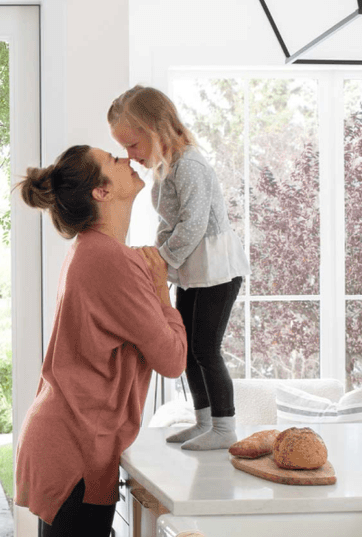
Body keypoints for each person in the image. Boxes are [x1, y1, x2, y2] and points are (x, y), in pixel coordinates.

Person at [13, 145, 187, 537]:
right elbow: (173, 360)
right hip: (76, 446)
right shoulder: (111, 259)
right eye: (113, 160)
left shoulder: (90, 249)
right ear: (102, 193)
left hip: (62, 435)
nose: (127, 160)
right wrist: (162, 288)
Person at [107, 85, 251, 451]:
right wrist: (158, 259)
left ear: (156, 129)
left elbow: (193, 225)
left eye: (133, 145)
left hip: (215, 269)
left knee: (206, 348)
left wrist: (163, 262)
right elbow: (170, 225)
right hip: (193, 268)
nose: (130, 156)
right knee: (185, 347)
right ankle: (204, 420)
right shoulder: (165, 168)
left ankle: (224, 425)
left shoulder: (190, 166)